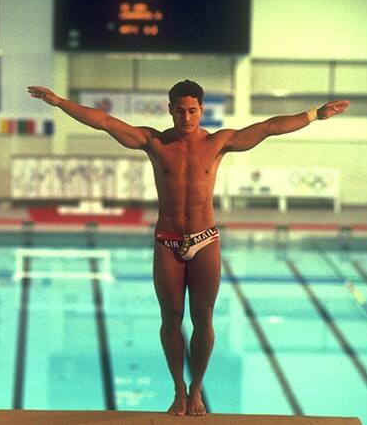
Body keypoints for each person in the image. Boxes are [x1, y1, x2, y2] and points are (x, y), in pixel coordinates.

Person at [27, 80, 349, 416]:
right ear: (169, 110)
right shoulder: (154, 141)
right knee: (171, 318)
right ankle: (178, 389)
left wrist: (315, 114)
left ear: (202, 110)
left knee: (203, 319)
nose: (186, 117)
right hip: (167, 240)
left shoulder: (218, 142)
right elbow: (106, 121)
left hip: (204, 239)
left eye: (192, 110)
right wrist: (61, 102)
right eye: (179, 110)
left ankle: (196, 389)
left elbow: (269, 127)